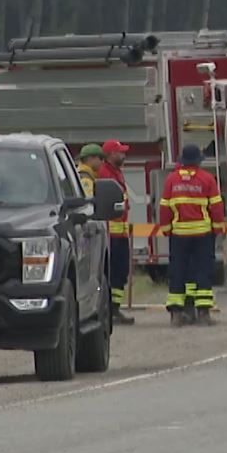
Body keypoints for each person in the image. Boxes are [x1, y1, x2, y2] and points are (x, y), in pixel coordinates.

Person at [154, 144, 223, 327]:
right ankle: (203, 314)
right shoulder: (207, 179)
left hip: (179, 234)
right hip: (202, 234)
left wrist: (167, 228)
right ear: (199, 161)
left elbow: (164, 207)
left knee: (178, 272)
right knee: (203, 271)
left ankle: (177, 314)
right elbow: (215, 207)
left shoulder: (171, 179)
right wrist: (217, 229)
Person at [97, 139, 134, 325]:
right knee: (111, 273)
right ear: (111, 154)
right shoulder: (104, 173)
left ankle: (115, 309)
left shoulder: (116, 172)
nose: (124, 155)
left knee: (120, 273)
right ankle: (109, 310)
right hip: (110, 234)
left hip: (119, 233)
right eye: (120, 152)